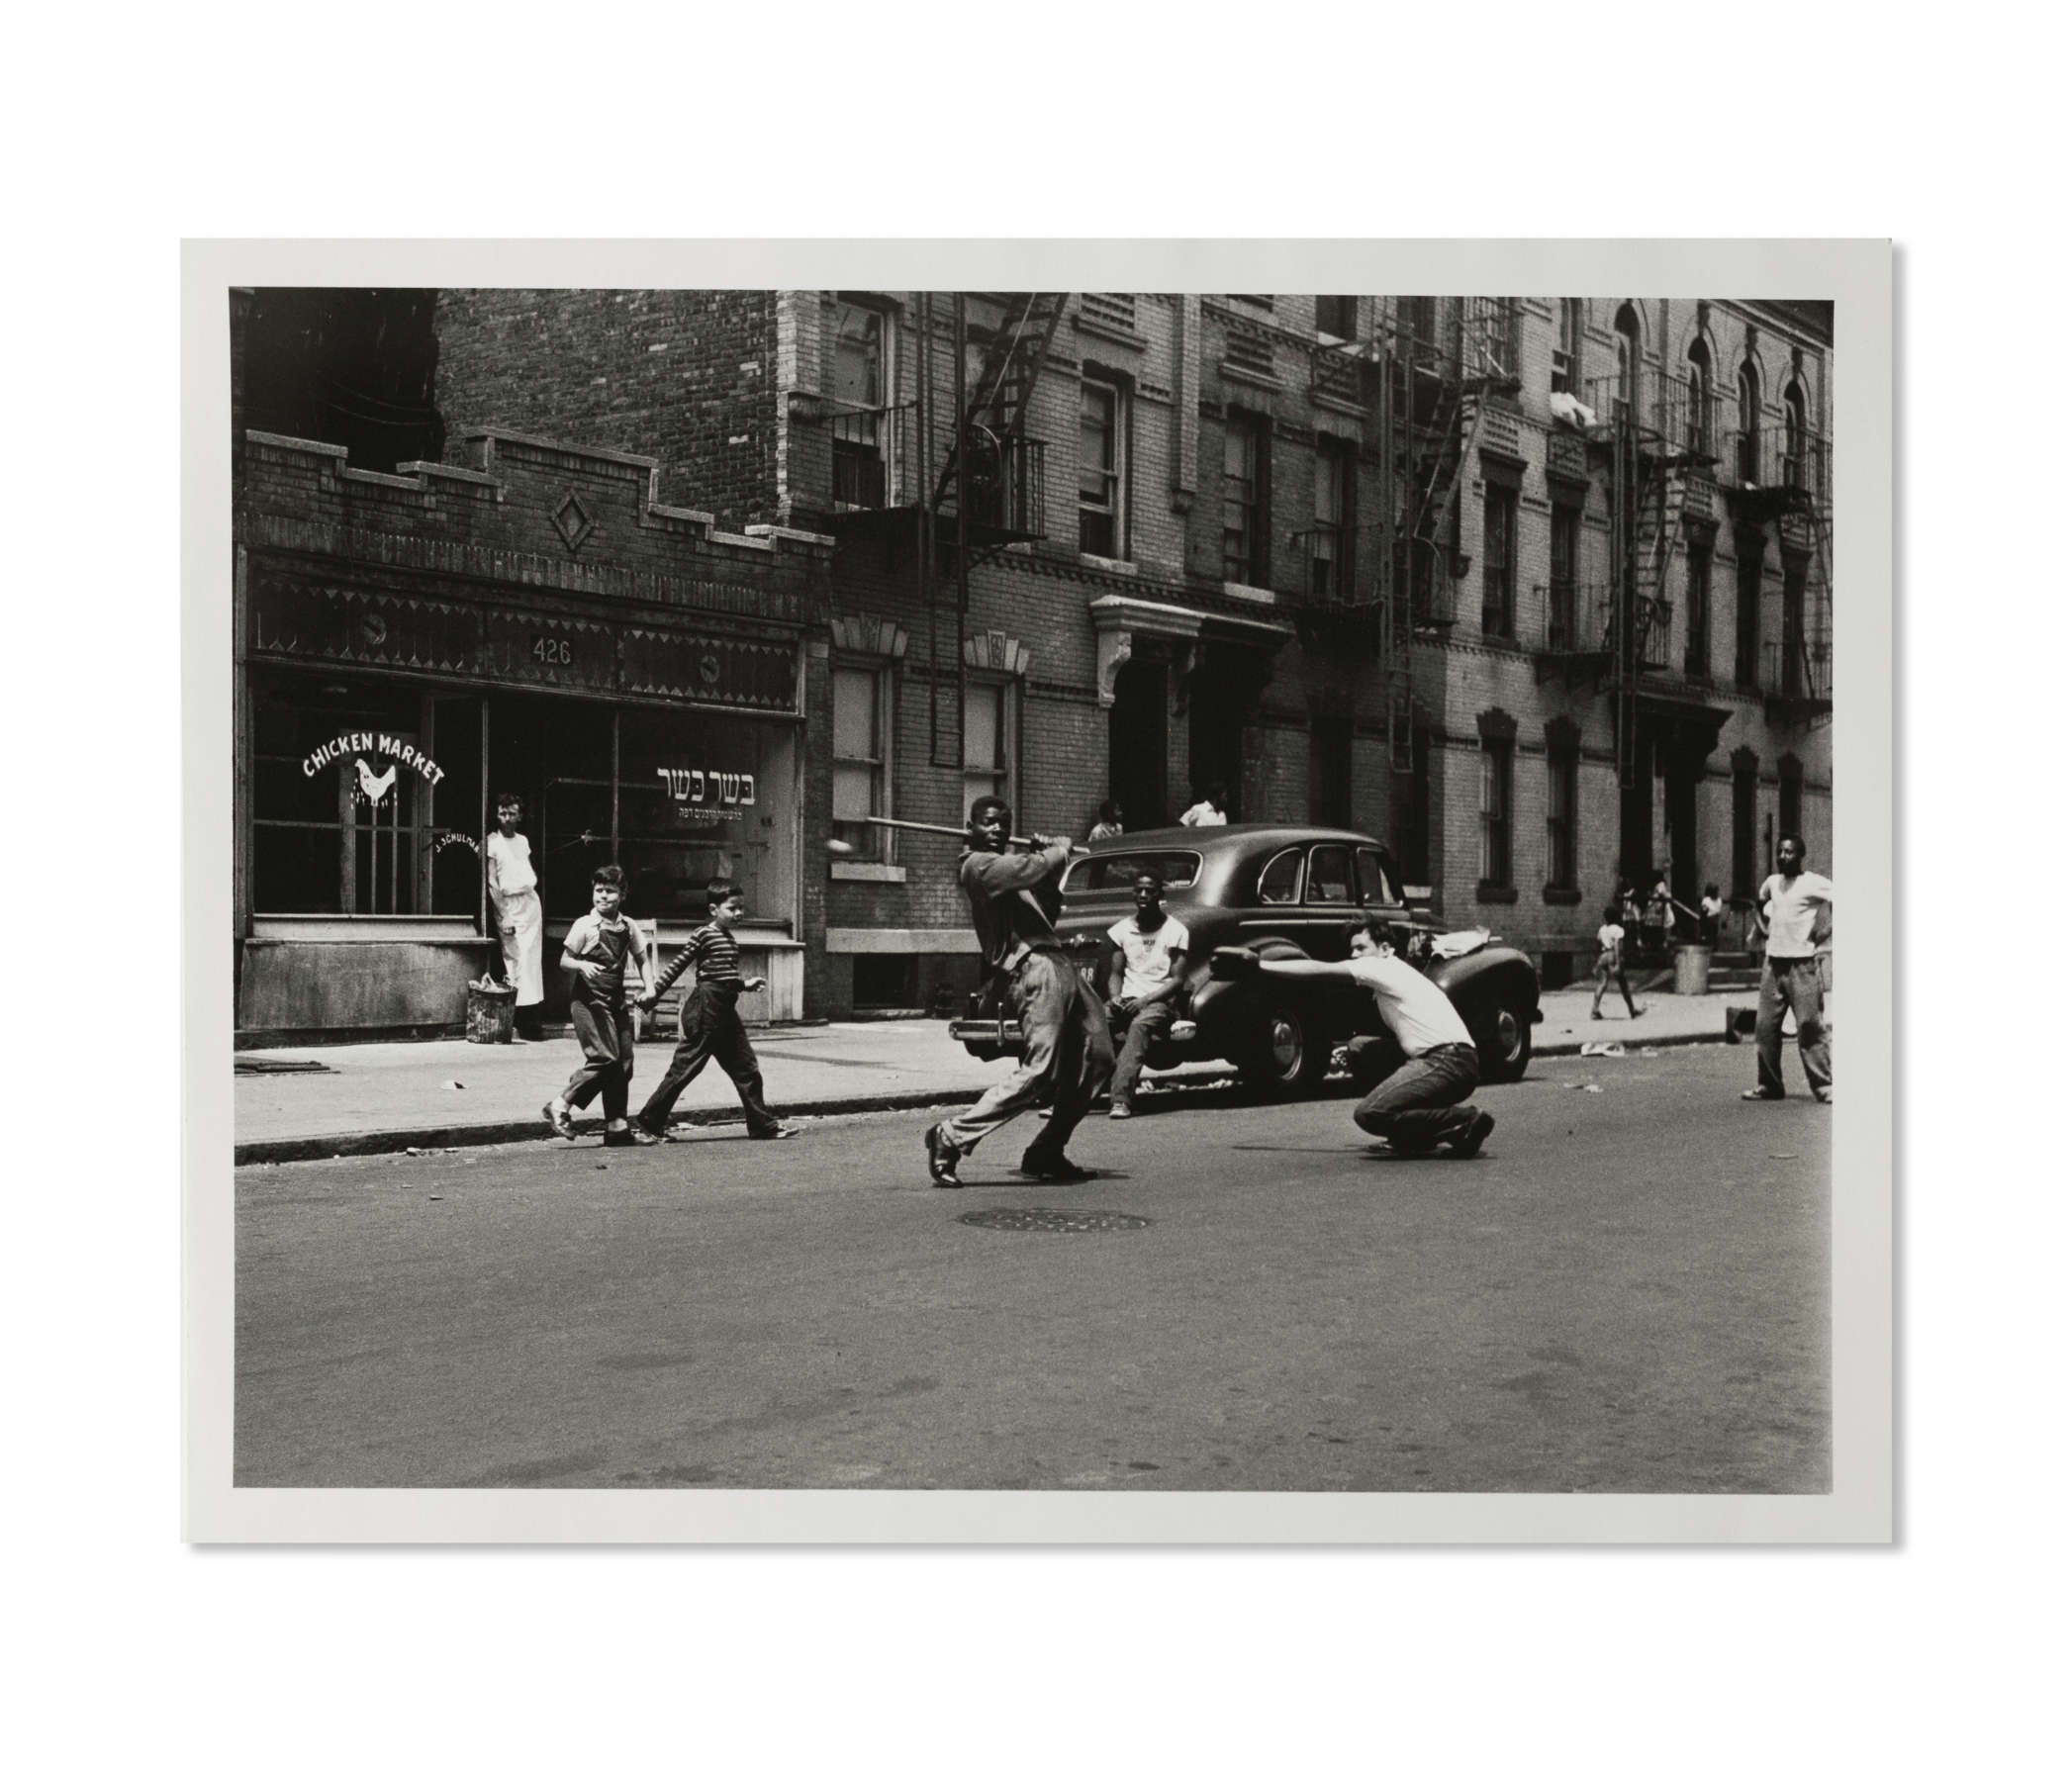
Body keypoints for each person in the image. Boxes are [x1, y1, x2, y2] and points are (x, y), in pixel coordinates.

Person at [923, 797, 1114, 1186]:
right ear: (971, 827)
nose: (997, 830)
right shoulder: (976, 866)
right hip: (1033, 969)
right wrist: (1054, 851)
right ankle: (951, 1135)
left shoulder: (1014, 870)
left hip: (1061, 964)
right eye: (989, 823)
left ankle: (1047, 1150)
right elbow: (1030, 868)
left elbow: (1045, 903)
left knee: (1100, 1056)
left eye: (1003, 824)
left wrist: (1044, 863)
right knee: (1041, 1069)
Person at [1216, 913, 1493, 1158]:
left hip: (1446, 1062)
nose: (1356, 956)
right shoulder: (1399, 974)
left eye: (1362, 948)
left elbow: (1318, 969)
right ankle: (1415, 1136)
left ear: (1384, 949)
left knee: (1369, 1114)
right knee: (1361, 1048)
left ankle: (1464, 1120)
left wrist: (1261, 967)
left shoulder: (1381, 966)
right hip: (1459, 1061)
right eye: (1353, 950)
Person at [634, 882, 794, 1143]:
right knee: (685, 1069)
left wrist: (745, 984)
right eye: (733, 908)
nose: (739, 913)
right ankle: (649, 1122)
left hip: (725, 1011)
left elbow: (723, 976)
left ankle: (762, 1125)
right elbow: (677, 964)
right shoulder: (704, 934)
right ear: (713, 909)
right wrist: (653, 994)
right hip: (706, 1009)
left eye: (742, 908)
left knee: (746, 1068)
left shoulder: (729, 939)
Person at [543, 864, 657, 1147]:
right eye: (598, 891)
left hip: (616, 1001)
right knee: (605, 1059)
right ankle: (560, 1105)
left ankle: (617, 1127)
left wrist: (650, 987)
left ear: (622, 894)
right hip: (588, 1002)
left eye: (610, 891)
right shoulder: (585, 925)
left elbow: (642, 959)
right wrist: (581, 965)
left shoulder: (628, 926)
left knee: (624, 1062)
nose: (603, 897)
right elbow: (564, 960)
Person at [1743, 835, 1834, 1103]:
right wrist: (1763, 929)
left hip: (1802, 964)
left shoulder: (1813, 883)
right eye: (1780, 852)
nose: (1783, 856)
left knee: (1809, 1026)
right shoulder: (1772, 882)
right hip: (1773, 964)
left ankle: (1824, 1086)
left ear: (1800, 855)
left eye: (1789, 852)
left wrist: (1826, 931)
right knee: (1765, 1027)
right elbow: (1758, 903)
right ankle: (1769, 1085)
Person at [1104, 871, 1190, 1119]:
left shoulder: (1176, 931)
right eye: (1139, 890)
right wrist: (1114, 997)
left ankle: (1121, 1099)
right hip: (1127, 1000)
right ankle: (1066, 1098)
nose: (1143, 895)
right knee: (1095, 1024)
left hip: (1159, 1003)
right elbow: (1116, 973)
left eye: (1150, 890)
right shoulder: (1121, 930)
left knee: (1139, 1027)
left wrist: (1146, 1000)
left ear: (1160, 895)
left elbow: (1177, 979)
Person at [485, 794, 544, 1038]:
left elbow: (524, 868)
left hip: (530, 904)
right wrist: (505, 916)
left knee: (531, 961)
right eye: (502, 813)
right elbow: (492, 882)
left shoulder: (523, 841)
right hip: (509, 905)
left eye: (512, 813)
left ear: (519, 816)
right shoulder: (492, 841)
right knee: (515, 960)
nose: (507, 818)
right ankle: (519, 1019)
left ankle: (532, 1016)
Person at [1591, 903, 1645, 1020]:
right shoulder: (1618, 930)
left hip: (1603, 955)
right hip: (1612, 956)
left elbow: (1597, 944)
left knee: (1602, 984)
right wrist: (1618, 963)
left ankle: (1594, 1010)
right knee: (1623, 984)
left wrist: (1596, 963)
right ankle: (1632, 1010)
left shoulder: (1602, 929)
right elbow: (1617, 946)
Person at [1699, 883, 1725, 948]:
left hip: (1715, 922)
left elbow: (1719, 911)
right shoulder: (1706, 900)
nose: (1717, 893)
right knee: (1708, 939)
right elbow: (1703, 914)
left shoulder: (1719, 900)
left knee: (1714, 938)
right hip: (1708, 922)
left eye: (1717, 891)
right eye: (1715, 891)